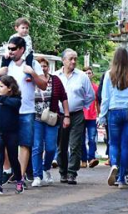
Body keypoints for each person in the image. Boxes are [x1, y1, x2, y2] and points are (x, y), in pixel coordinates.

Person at [0, 36, 47, 187]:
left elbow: (43, 85)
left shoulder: (32, 63)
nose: (10, 51)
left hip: (26, 110)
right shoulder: (5, 64)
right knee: (7, 144)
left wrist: (33, 73)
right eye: (8, 48)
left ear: (21, 50)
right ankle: (9, 171)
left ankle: (20, 178)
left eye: (13, 49)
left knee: (24, 144)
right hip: (7, 111)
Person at [98, 48, 128, 189]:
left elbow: (105, 97)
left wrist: (102, 116)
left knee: (113, 143)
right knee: (126, 146)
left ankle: (114, 164)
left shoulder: (109, 74)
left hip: (113, 111)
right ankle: (121, 178)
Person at [55, 48, 95, 186]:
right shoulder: (56, 76)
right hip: (59, 115)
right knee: (61, 144)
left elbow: (90, 95)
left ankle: (72, 173)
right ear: (63, 60)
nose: (73, 61)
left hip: (77, 114)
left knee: (75, 144)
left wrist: (81, 105)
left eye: (75, 59)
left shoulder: (82, 76)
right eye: (70, 59)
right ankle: (63, 171)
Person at [31, 56, 70, 187]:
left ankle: (46, 168)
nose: (42, 68)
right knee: (37, 147)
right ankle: (37, 175)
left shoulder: (55, 80)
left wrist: (66, 115)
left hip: (51, 118)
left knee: (51, 147)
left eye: (44, 66)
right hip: (35, 118)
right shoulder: (30, 80)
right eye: (40, 66)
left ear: (48, 67)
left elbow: (64, 98)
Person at [81, 66, 100, 168]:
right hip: (81, 116)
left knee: (92, 139)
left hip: (92, 116)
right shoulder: (80, 86)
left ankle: (91, 158)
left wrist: (100, 115)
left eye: (89, 73)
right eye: (86, 73)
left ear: (92, 74)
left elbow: (98, 103)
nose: (87, 75)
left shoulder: (95, 87)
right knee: (81, 139)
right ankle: (83, 159)